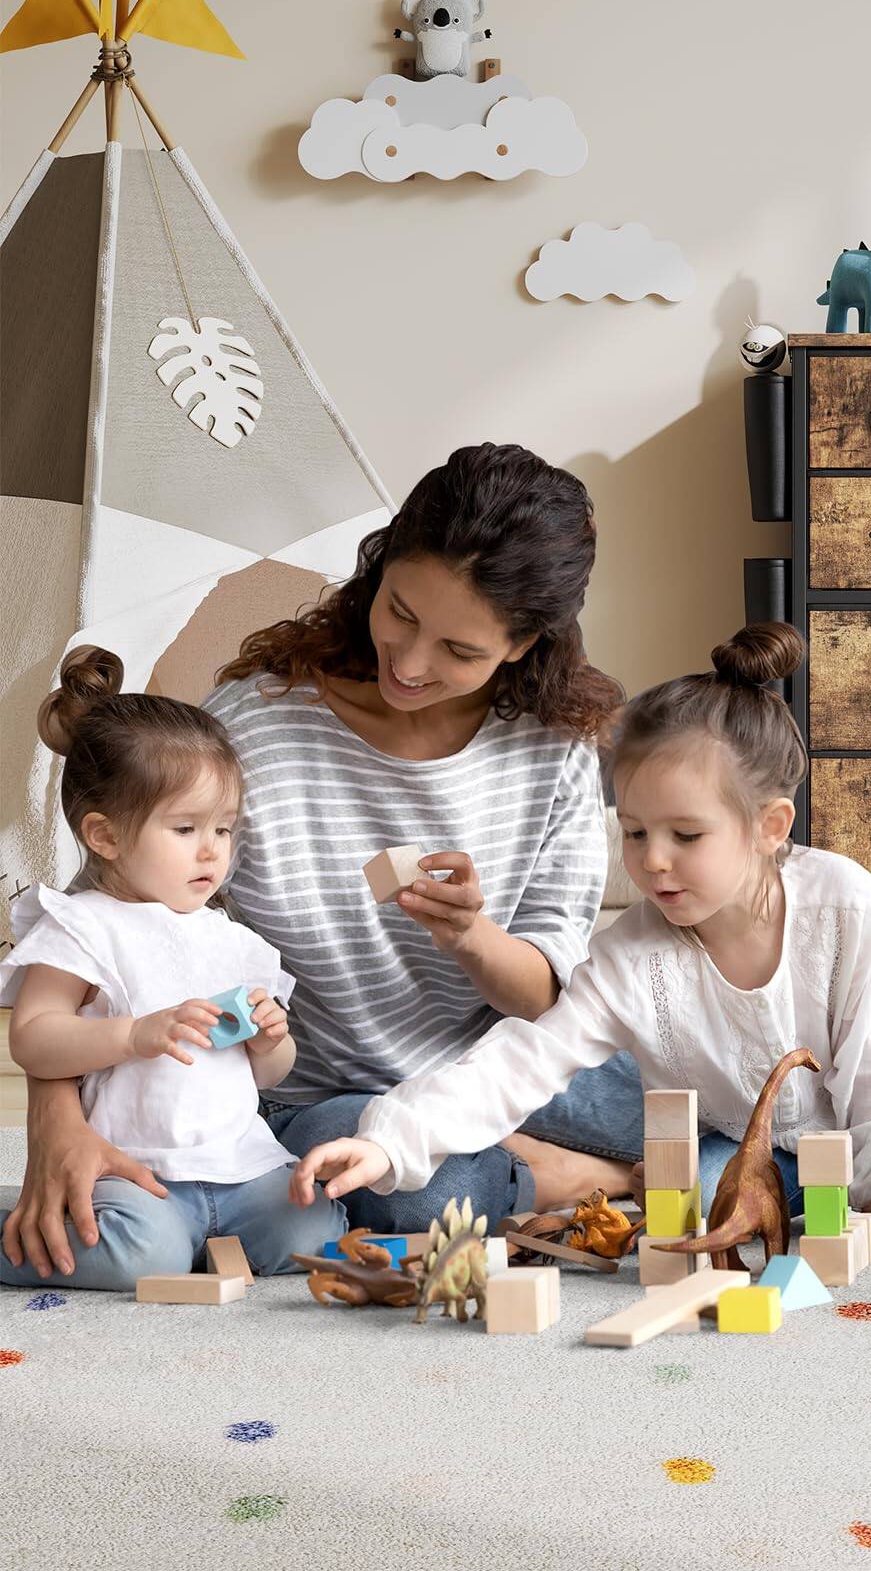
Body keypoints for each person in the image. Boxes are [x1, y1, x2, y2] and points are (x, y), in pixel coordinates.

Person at [289, 623, 871, 1256]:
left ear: (770, 826)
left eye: (686, 837)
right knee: (701, 1221)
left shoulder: (840, 901)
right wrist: (391, 1140)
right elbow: (523, 1058)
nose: (654, 863)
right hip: (751, 1133)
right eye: (634, 833)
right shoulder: (635, 948)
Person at [2, 444, 646, 1282]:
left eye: (459, 650)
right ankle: (560, 1174)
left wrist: (471, 937)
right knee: (416, 1197)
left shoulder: (553, 750)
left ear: (523, 644)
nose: (411, 664)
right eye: (402, 613)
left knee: (697, 1081)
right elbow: (107, 921)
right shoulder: (260, 724)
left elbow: (548, 999)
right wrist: (56, 1119)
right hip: (319, 1091)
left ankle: (523, 1146)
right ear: (376, 572)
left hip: (498, 1064)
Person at [0, 649, 346, 1290]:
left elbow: (268, 1072)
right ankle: (18, 1233)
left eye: (224, 827)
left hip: (240, 1166)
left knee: (315, 1230)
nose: (213, 849)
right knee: (141, 1256)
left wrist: (272, 1039)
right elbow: (33, 1036)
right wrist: (131, 1035)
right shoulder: (86, 924)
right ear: (104, 836)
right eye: (186, 827)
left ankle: (200, 1239)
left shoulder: (235, 940)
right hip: (133, 1170)